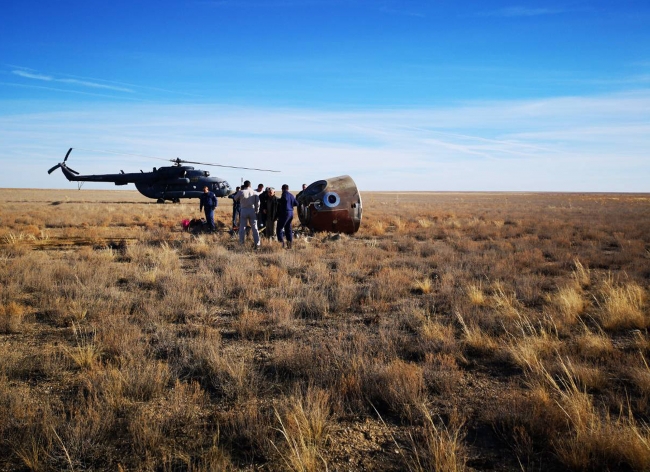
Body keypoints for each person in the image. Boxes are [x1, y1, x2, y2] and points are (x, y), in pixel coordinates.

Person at [234, 180, 260, 248]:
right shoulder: (254, 192)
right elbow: (258, 203)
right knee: (255, 228)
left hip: (244, 209)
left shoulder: (241, 192)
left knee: (242, 228)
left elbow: (235, 198)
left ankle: (241, 243)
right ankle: (257, 244)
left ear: (244, 185)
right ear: (250, 185)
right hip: (252, 210)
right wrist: (257, 210)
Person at [276, 184, 298, 249]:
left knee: (279, 229)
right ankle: (289, 245)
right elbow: (296, 203)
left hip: (285, 213)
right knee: (288, 229)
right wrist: (290, 205)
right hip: (291, 212)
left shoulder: (284, 194)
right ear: (288, 188)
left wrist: (278, 200)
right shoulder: (291, 195)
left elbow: (284, 200)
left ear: (282, 189)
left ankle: (282, 245)